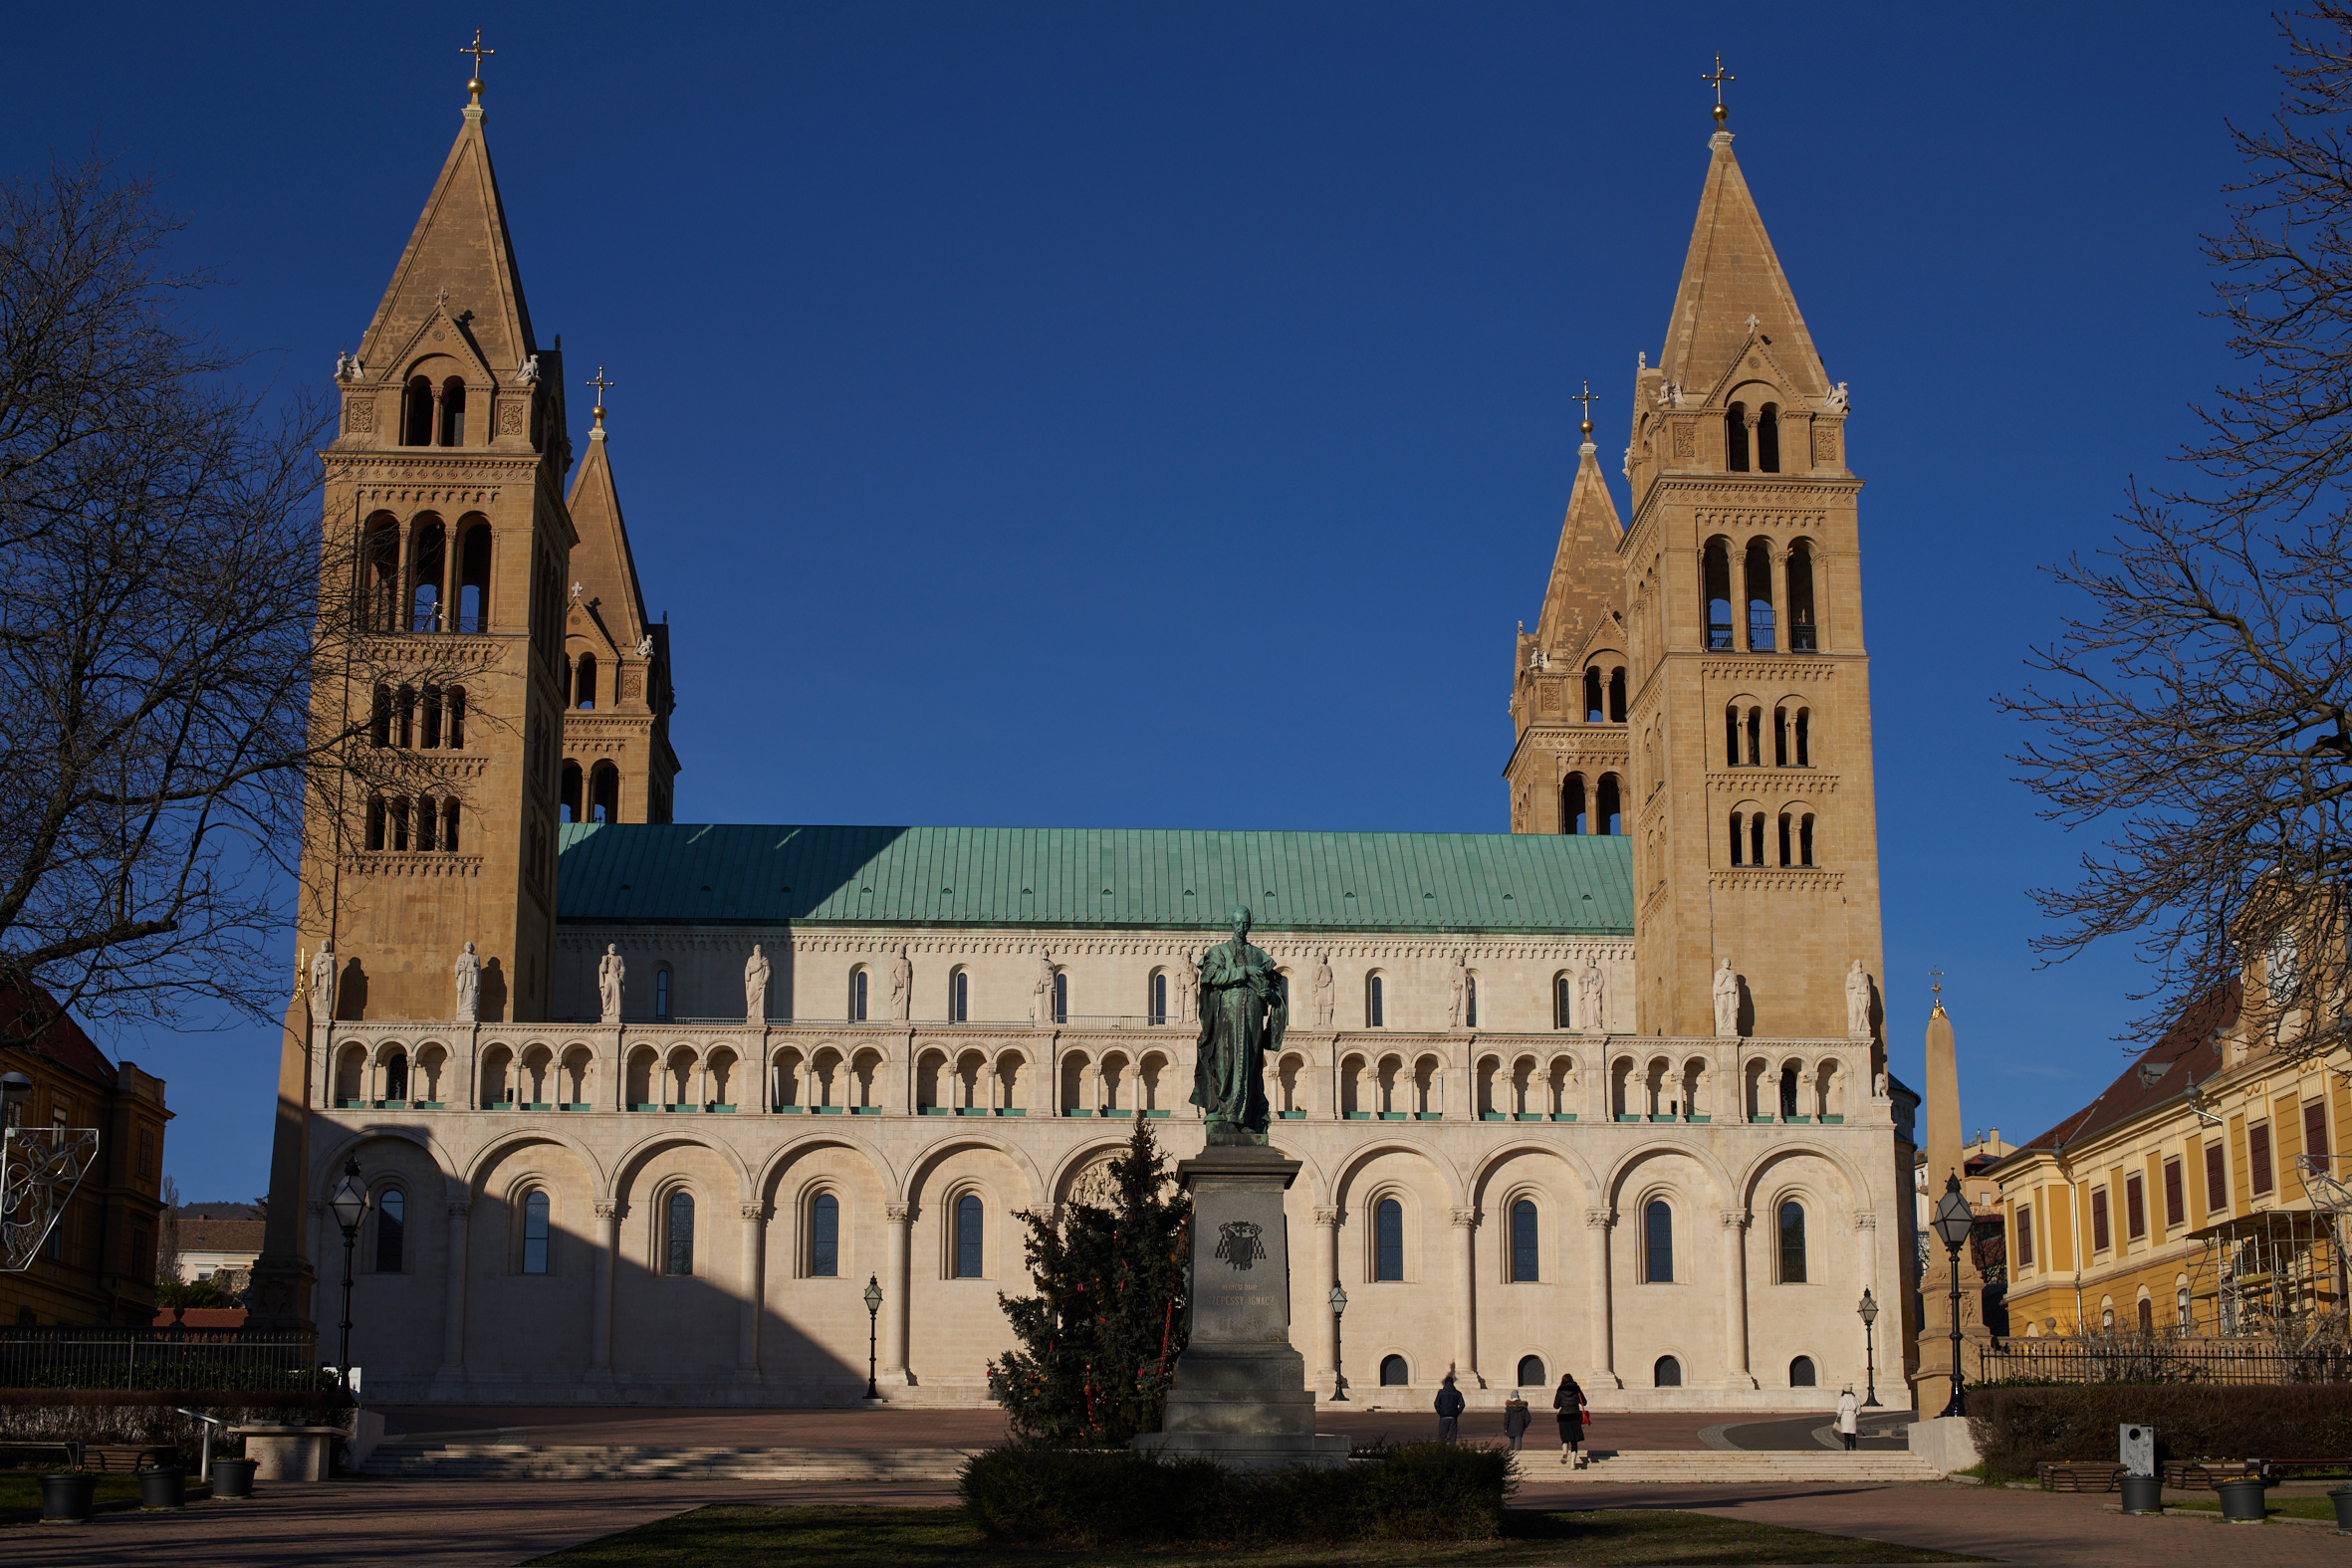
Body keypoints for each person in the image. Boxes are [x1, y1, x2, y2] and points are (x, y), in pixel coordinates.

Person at [1554, 1371, 1589, 1467]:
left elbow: (1556, 1405)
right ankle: (1572, 1463)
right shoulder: (1577, 1389)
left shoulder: (1560, 1390)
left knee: (1565, 1437)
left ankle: (1565, 1451)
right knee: (1574, 1440)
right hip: (1574, 1416)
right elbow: (1584, 1402)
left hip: (1563, 1416)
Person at [1434, 1372, 1465, 1442]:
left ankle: (1442, 1448)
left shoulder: (1441, 1392)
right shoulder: (1457, 1393)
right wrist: (1457, 1413)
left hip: (1444, 1416)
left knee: (1442, 1436)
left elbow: (1436, 1404)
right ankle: (1452, 1447)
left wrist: (1440, 1412)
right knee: (1452, 1437)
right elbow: (1462, 1405)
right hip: (1453, 1416)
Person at [1836, 1384, 1860, 1452]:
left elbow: (1839, 1412)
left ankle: (1847, 1449)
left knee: (1846, 1436)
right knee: (1852, 1434)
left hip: (1845, 1416)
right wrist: (1855, 1413)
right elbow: (1858, 1411)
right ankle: (1854, 1448)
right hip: (1852, 1416)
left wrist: (1839, 1415)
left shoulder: (1842, 1399)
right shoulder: (1855, 1399)